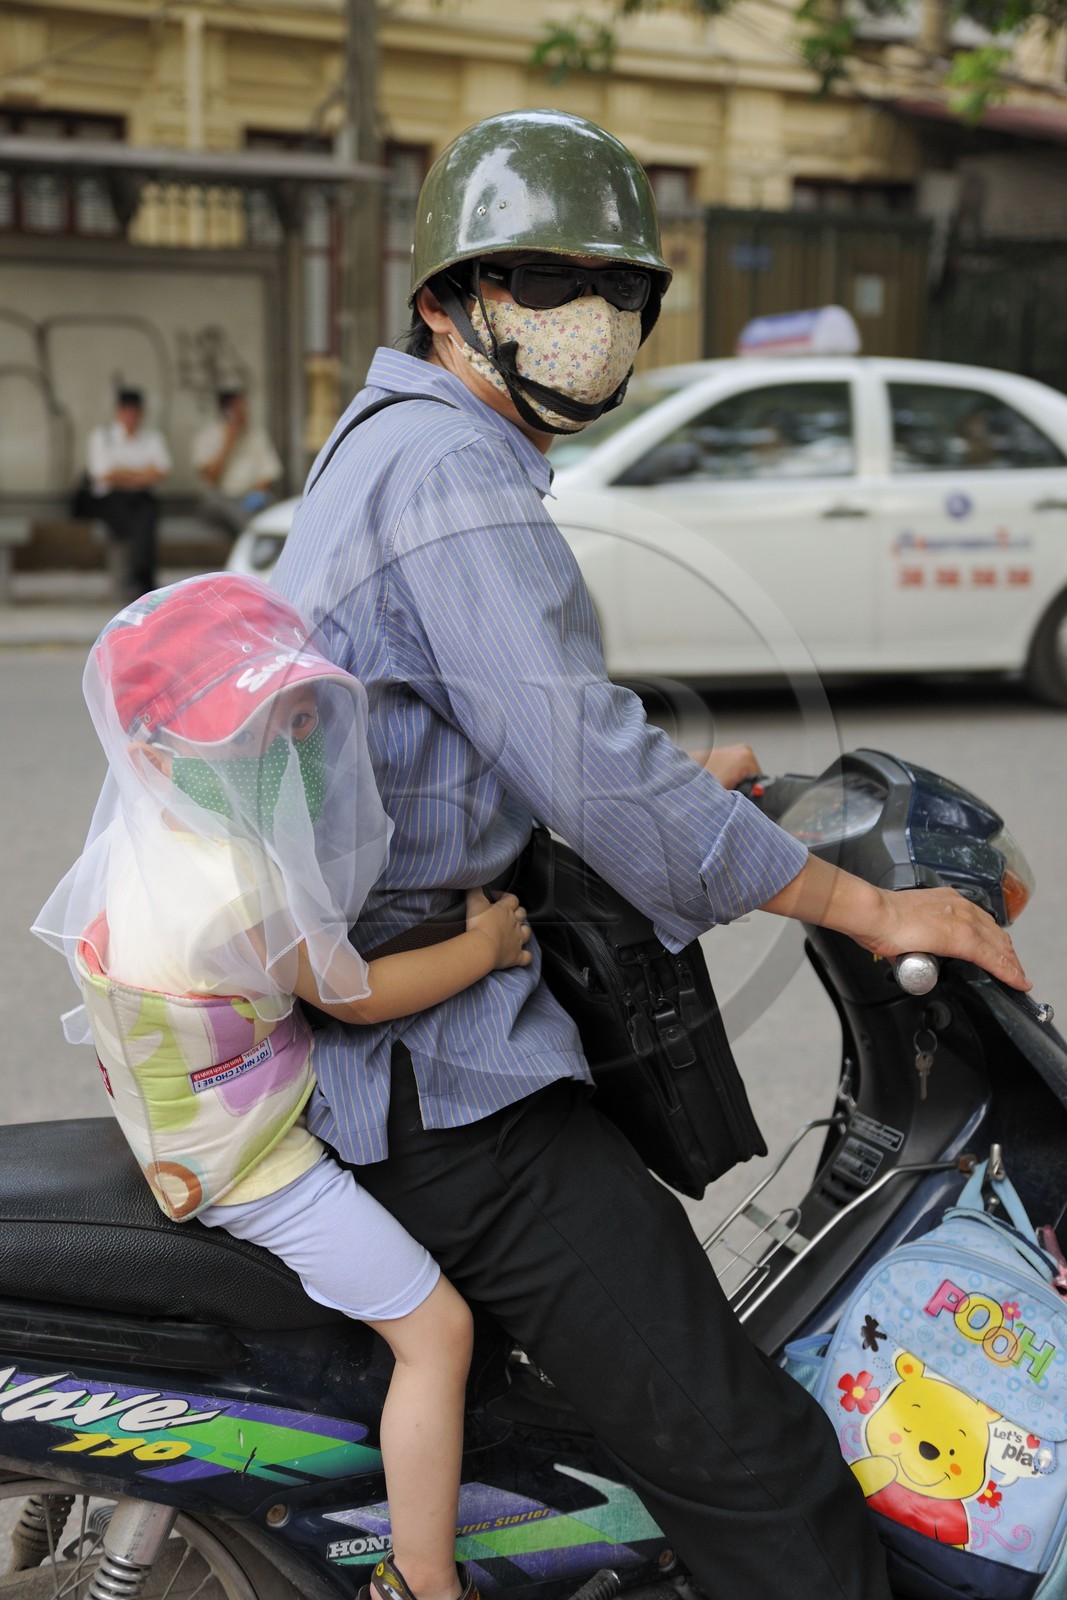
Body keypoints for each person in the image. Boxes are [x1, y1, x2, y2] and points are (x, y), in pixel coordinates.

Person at [272, 110, 1030, 1600]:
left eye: (617, 289)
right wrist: (863, 904)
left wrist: (681, 781)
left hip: (407, 1011)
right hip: (440, 1081)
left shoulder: (398, 445)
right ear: (448, 301)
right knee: (754, 1466)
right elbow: (581, 767)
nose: (589, 319)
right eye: (544, 280)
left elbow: (484, 732)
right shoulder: (448, 473)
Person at [32, 572, 534, 1600]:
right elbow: (355, 997)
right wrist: (483, 948)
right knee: (437, 1332)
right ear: (156, 756)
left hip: (183, 1119)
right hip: (254, 1162)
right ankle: (423, 1576)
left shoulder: (146, 841)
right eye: (248, 733)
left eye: (298, 719)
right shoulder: (239, 882)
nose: (286, 752)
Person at [86, 388, 171, 601]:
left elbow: (161, 471)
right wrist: (140, 474)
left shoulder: (152, 437)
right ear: (119, 412)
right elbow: (103, 475)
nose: (131, 417)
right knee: (139, 523)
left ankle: (139, 576)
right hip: (112, 500)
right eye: (127, 412)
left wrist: (124, 473)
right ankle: (143, 577)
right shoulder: (103, 436)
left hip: (141, 499)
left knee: (145, 513)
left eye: (135, 412)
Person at [192, 389, 283, 537]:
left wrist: (256, 494)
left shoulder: (257, 435)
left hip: (250, 496)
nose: (244, 412)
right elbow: (210, 478)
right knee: (232, 511)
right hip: (221, 497)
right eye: (238, 408)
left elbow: (268, 473)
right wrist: (228, 443)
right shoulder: (207, 436)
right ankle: (250, 537)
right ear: (226, 411)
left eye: (244, 407)